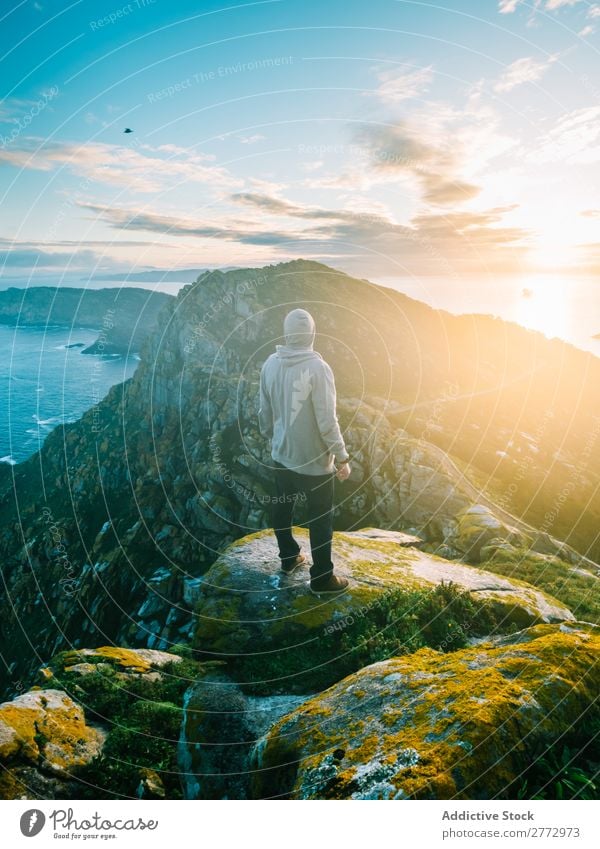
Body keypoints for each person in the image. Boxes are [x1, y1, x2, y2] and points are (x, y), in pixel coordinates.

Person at [258, 308, 351, 594]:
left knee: (282, 505)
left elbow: (264, 412)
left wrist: (273, 436)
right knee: (320, 516)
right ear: (312, 334)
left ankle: (289, 557)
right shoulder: (318, 369)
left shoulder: (270, 363)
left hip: (281, 454)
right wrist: (343, 457)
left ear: (287, 332)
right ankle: (322, 578)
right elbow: (327, 420)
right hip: (313, 462)